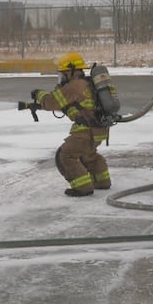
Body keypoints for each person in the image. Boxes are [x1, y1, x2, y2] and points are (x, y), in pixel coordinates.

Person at [31, 52, 111, 197]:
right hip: (100, 130)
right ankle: (102, 181)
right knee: (88, 155)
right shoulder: (88, 83)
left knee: (65, 155)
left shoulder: (75, 86)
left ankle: (83, 188)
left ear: (71, 71)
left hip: (85, 132)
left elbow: (51, 102)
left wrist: (39, 94)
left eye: (63, 74)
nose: (62, 77)